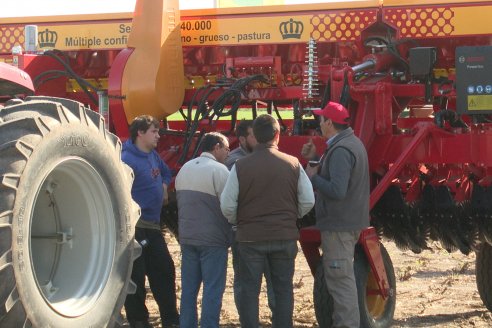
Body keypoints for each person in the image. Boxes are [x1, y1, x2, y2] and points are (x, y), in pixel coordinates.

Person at [221, 114, 315, 328]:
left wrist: (241, 220)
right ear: (277, 135)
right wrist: (291, 216)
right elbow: (308, 200)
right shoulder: (293, 164)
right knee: (282, 290)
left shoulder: (240, 166)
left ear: (256, 136)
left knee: (249, 291)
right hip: (284, 236)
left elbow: (227, 205)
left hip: (250, 239)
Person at [302, 101, 370, 328]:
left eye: (321, 120)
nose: (319, 124)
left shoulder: (341, 150)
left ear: (330, 122)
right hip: (347, 222)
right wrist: (316, 158)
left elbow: (337, 190)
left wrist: (313, 177)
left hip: (339, 225)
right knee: (341, 279)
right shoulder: (350, 143)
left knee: (341, 281)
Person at [122, 115, 179, 328]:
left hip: (153, 226)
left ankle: (171, 320)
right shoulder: (126, 159)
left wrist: (164, 186)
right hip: (135, 229)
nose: (158, 135)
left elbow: (166, 172)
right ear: (140, 133)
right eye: (154, 132)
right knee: (135, 277)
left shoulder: (153, 155)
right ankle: (138, 321)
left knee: (164, 270)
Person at [175, 132, 232, 328]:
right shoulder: (220, 171)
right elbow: (229, 206)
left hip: (188, 238)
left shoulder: (185, 168)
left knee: (189, 290)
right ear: (216, 147)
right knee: (212, 290)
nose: (228, 152)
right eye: (226, 148)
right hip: (213, 240)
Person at [225, 120, 276, 318]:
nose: (258, 139)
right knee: (247, 284)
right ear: (242, 139)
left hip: (253, 232)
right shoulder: (234, 163)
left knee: (271, 283)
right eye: (253, 136)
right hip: (248, 233)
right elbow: (229, 203)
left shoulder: (262, 159)